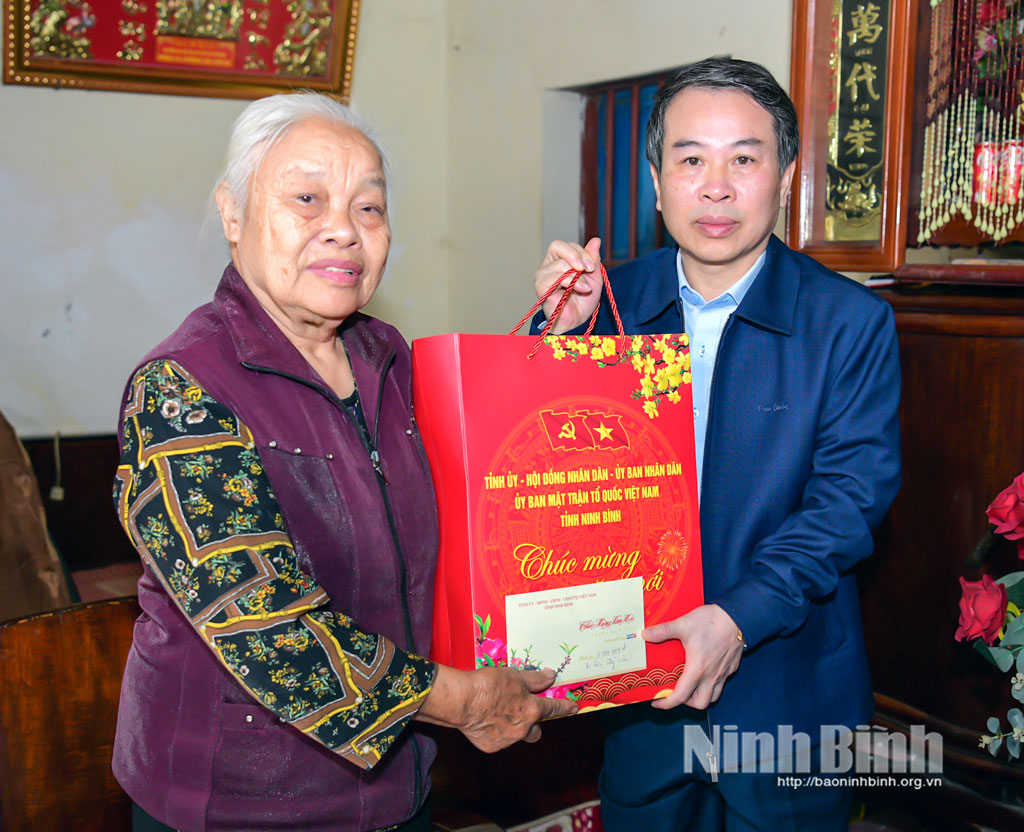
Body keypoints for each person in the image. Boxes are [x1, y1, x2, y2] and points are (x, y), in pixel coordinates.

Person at [112, 92, 575, 832]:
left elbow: (490, 472)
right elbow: (270, 631)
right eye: (306, 198)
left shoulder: (383, 355)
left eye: (369, 208)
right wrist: (469, 701)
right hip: (241, 802)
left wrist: (558, 333)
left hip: (402, 783)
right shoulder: (183, 388)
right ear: (232, 214)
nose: (343, 230)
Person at [532, 57, 901, 831]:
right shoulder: (608, 304)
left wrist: (734, 619)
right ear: (657, 180)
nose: (718, 186)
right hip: (642, 696)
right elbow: (544, 482)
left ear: (786, 173)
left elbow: (848, 506)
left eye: (745, 158)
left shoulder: (849, 323)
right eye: (691, 159)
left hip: (788, 694)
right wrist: (555, 338)